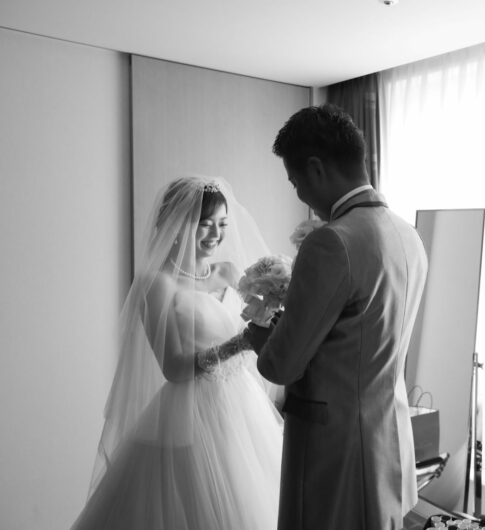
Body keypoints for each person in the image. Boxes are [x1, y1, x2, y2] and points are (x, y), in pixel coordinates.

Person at [245, 104, 429, 529]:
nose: (301, 197)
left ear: (316, 168)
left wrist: (262, 337)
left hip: (336, 451)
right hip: (389, 438)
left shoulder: (331, 242)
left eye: (295, 183)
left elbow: (281, 365)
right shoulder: (409, 235)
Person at [72, 176, 282, 530]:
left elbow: (260, 322)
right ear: (177, 223)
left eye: (222, 224)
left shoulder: (230, 273)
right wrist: (240, 344)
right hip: (190, 413)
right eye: (205, 224)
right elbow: (173, 367)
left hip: (242, 403)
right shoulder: (156, 284)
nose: (216, 234)